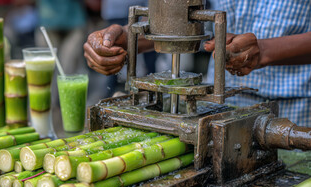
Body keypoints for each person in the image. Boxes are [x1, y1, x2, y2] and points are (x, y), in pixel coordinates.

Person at [83, 1, 311, 127]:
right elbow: (180, 17)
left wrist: (266, 52)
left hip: (296, 107)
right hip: (217, 109)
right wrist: (124, 37)